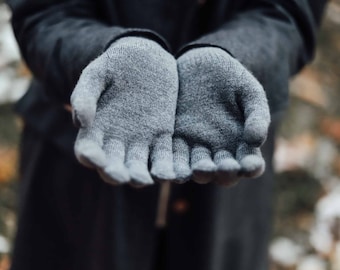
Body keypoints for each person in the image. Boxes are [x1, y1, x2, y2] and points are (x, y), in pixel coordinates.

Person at [6, 0, 326, 269]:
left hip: (227, 163)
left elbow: (287, 14)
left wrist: (236, 56)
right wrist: (105, 54)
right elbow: (44, 12)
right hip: (78, 168)